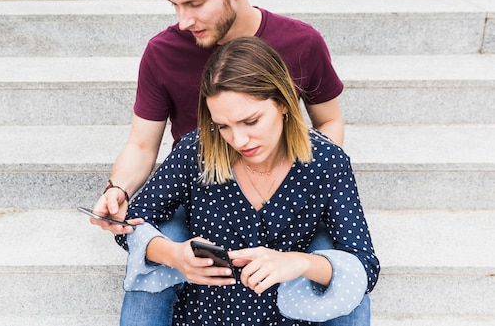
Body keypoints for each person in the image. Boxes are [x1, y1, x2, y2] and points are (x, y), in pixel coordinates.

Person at [89, 0, 371, 324]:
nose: (183, 20)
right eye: (174, 4)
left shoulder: (301, 42)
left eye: (195, 3)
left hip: (292, 188)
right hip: (196, 190)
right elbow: (141, 144)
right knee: (152, 273)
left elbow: (328, 123)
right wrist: (119, 189)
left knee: (345, 280)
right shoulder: (163, 53)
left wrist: (303, 184)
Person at [115, 36, 380, 325]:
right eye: (223, 126)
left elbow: (364, 265)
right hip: (204, 316)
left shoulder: (327, 162)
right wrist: (174, 254)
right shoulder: (197, 151)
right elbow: (131, 223)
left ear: (283, 103)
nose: (239, 140)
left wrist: (300, 262)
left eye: (251, 121)